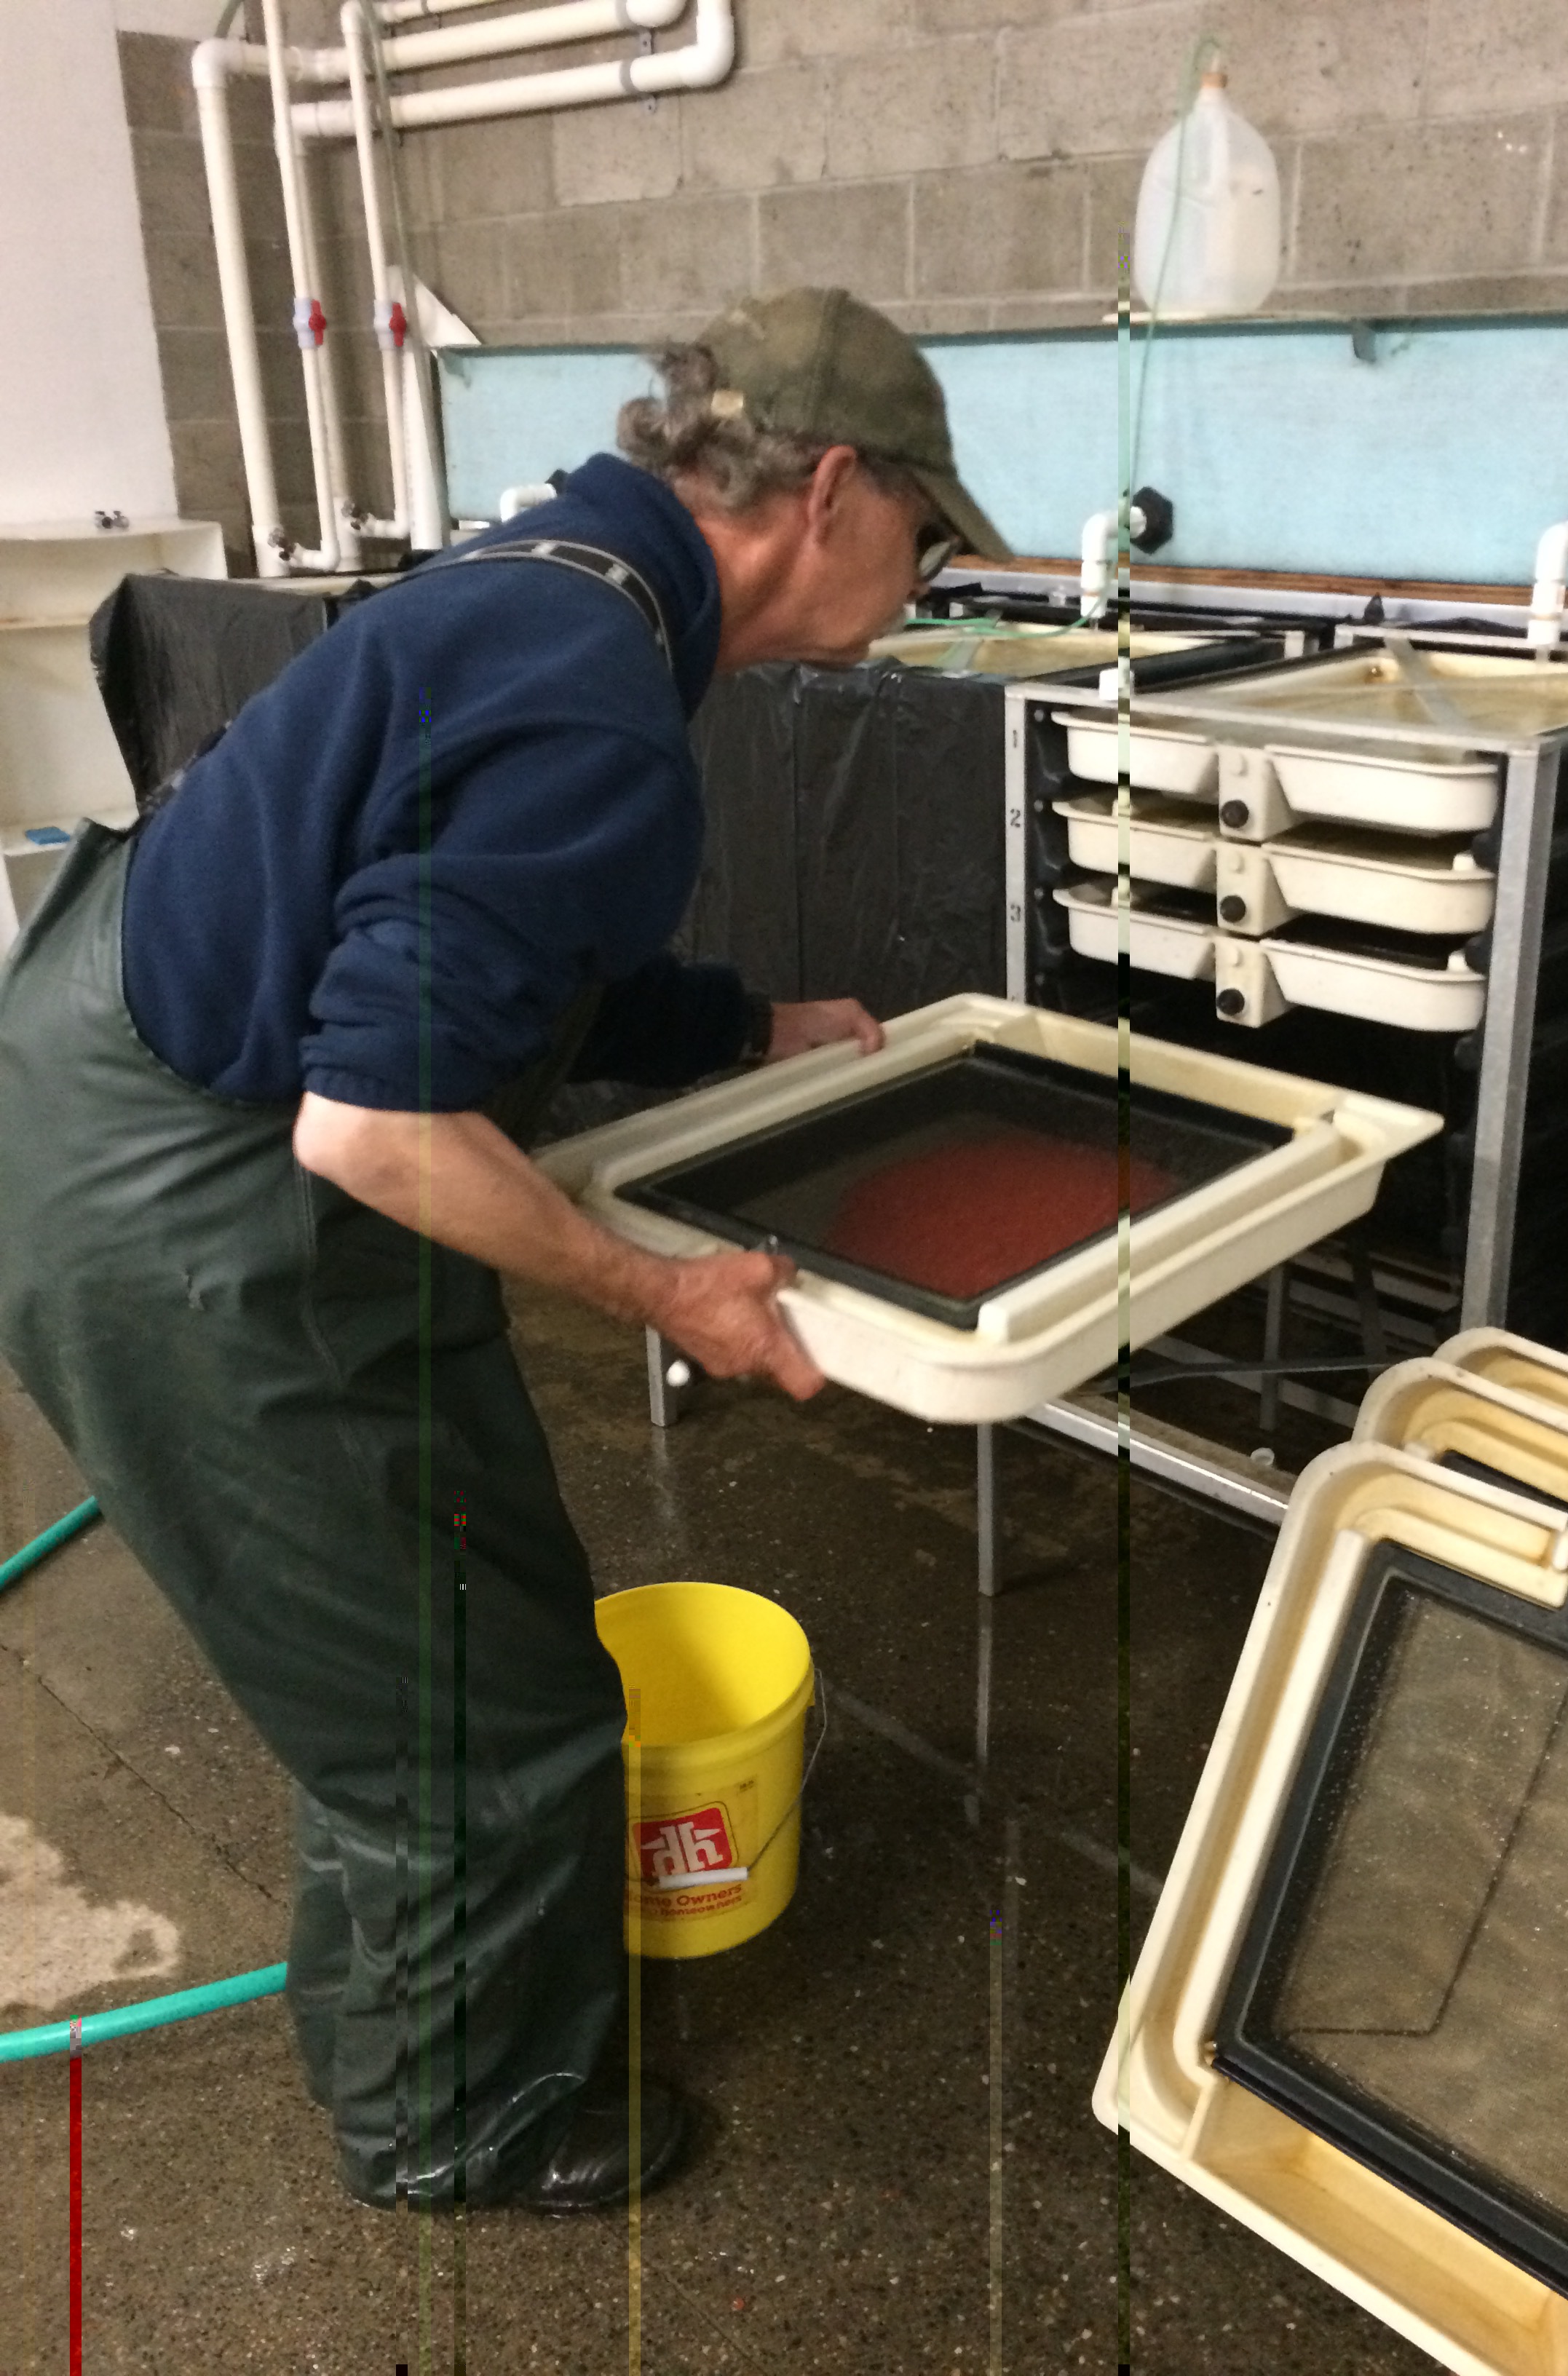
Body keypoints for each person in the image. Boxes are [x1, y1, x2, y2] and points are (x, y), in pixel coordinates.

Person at [0, 287, 1009, 2214]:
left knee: (419, 1653)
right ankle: (460, 2126)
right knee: (474, 1720)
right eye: (925, 536)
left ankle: (403, 2014)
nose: (924, 580)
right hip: (193, 1208)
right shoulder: (598, 693)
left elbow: (486, 927)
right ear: (829, 492)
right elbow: (377, 1123)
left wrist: (745, 1025)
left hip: (106, 1076)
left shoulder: (553, 582)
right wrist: (670, 1293)